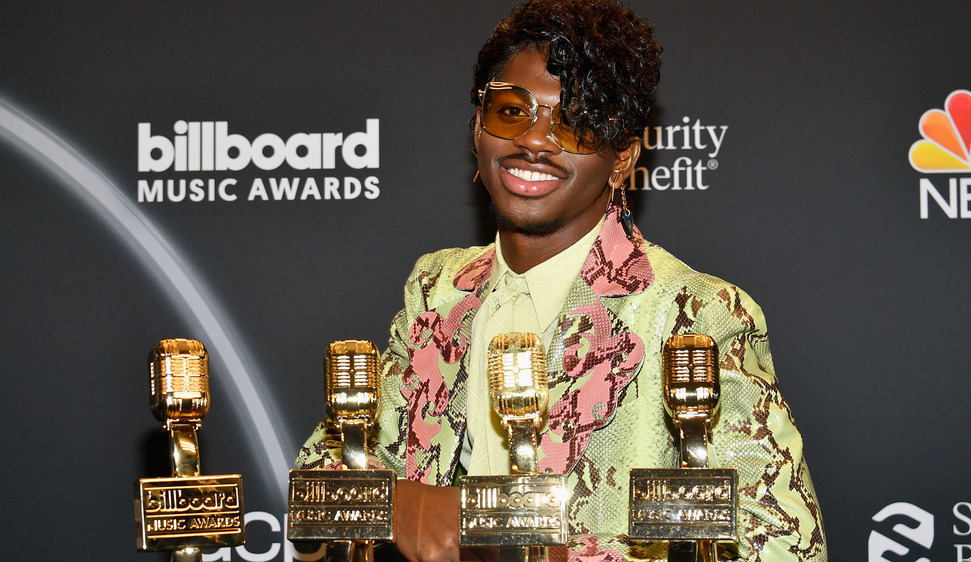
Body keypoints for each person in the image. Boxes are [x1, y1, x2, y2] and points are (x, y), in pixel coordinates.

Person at [298, 1, 827, 560]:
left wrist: (528, 545)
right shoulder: (438, 289)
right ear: (478, 125)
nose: (534, 141)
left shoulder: (691, 313)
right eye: (509, 111)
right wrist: (399, 505)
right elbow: (314, 487)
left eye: (574, 123)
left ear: (622, 159)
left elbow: (784, 545)